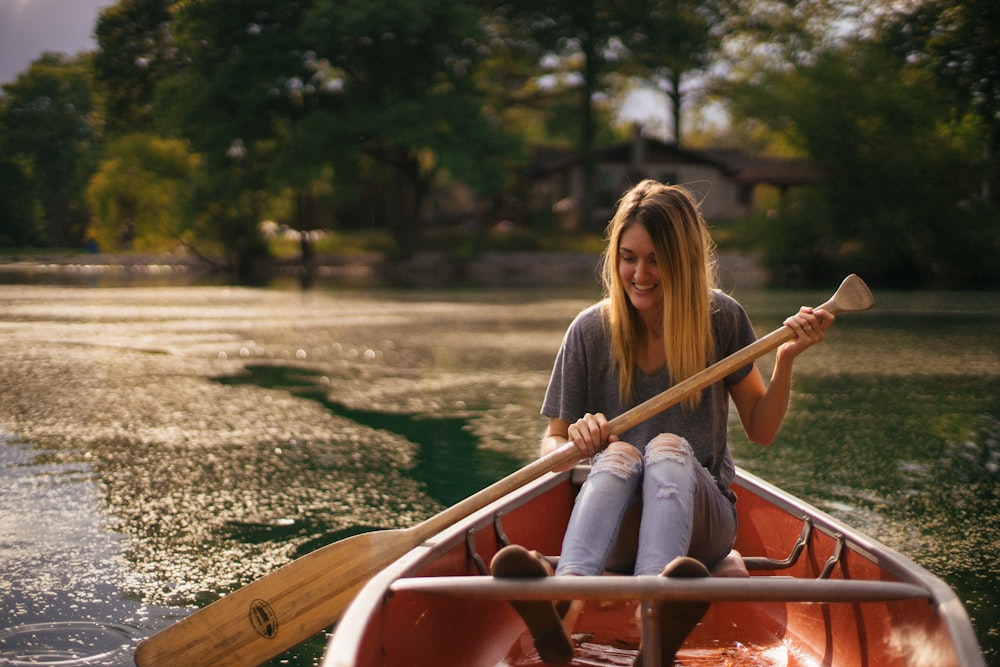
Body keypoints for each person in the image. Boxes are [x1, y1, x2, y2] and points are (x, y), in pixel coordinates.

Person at [490, 180, 835, 666]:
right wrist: (574, 442)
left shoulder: (722, 319)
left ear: (685, 260)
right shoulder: (589, 331)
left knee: (667, 446)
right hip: (616, 531)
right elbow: (551, 447)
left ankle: (655, 608)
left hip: (702, 531)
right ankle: (566, 599)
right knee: (619, 453)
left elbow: (761, 429)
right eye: (629, 258)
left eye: (656, 259)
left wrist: (786, 360)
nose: (640, 273)